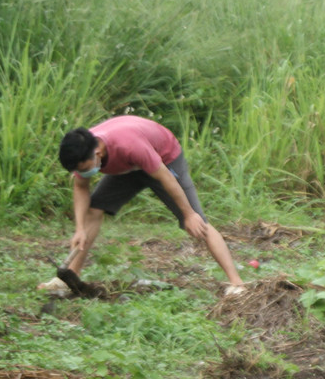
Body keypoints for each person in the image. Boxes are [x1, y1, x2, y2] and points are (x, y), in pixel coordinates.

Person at [38, 115, 246, 296]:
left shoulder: (129, 145)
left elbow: (166, 177)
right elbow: (81, 188)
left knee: (197, 221)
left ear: (98, 153)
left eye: (84, 169)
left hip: (164, 160)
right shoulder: (82, 150)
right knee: (94, 210)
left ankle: (237, 284)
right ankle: (69, 278)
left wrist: (189, 214)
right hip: (128, 167)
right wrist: (80, 229)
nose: (83, 173)